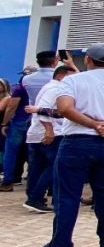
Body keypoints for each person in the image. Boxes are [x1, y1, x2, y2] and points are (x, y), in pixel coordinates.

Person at [26, 43, 104, 247]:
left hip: (77, 141)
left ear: (87, 59)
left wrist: (94, 124)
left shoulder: (72, 81)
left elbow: (66, 108)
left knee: (67, 196)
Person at [23, 63, 75, 213]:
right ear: (61, 75)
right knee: (53, 166)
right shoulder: (57, 89)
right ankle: (36, 197)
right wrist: (49, 130)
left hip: (38, 133)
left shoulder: (50, 87)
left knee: (37, 167)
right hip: (50, 133)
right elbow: (42, 110)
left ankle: (34, 198)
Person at [0, 66, 34, 190]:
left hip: (19, 121)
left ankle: (8, 181)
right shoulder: (44, 85)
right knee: (32, 153)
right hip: (36, 121)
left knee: (11, 152)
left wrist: (4, 123)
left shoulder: (20, 87)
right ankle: (33, 181)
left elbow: (11, 106)